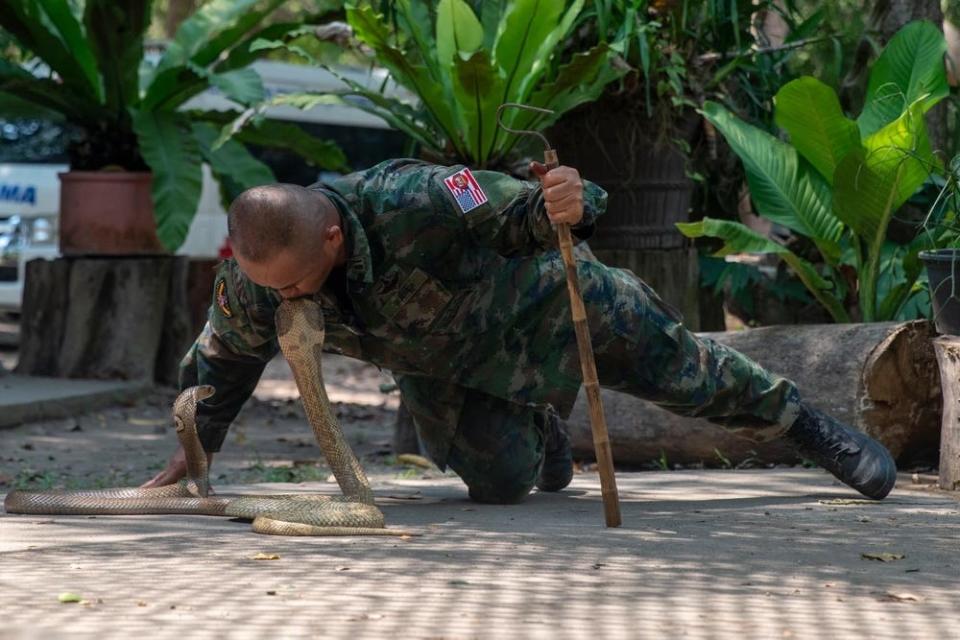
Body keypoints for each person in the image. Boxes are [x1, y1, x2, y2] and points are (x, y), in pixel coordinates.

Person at [143, 158, 897, 503]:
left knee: (690, 375)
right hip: (445, 368)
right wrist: (195, 441)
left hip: (549, 312)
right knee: (501, 485)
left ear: (333, 237)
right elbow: (224, 357)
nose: (289, 299)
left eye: (298, 282)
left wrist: (569, 200)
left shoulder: (424, 197)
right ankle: (540, 426)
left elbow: (530, 211)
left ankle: (811, 428)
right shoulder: (258, 278)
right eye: (274, 288)